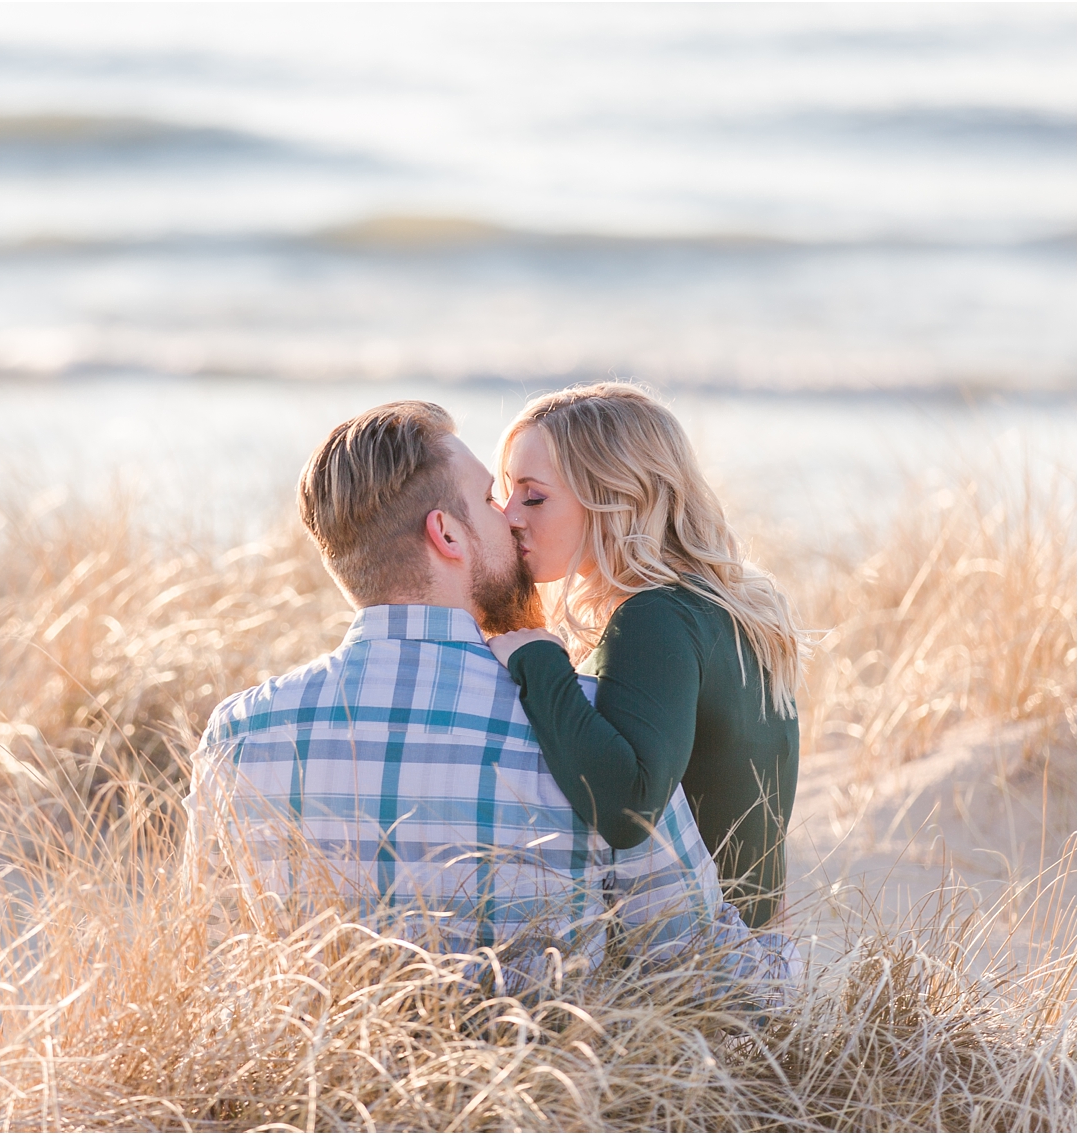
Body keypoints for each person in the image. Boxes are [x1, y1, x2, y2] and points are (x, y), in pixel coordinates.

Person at [184, 400, 798, 990]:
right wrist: (786, 965)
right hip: (544, 1089)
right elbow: (704, 972)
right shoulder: (575, 722)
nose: (508, 515)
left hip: (314, 1088)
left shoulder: (237, 735)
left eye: (527, 496)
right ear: (446, 534)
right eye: (491, 497)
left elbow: (205, 966)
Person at [487, 383, 803, 929]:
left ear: (618, 498)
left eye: (533, 497)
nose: (510, 516)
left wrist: (540, 662)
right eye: (506, 494)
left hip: (690, 977)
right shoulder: (728, 608)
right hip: (747, 961)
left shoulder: (653, 618)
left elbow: (628, 808)